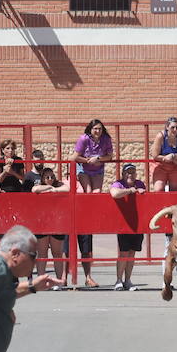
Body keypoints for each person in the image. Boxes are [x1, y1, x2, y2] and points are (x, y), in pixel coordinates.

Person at [72, 119, 113, 287]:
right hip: (84, 168)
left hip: (98, 169)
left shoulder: (106, 140)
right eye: (95, 129)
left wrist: (99, 159)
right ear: (90, 129)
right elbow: (74, 157)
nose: (97, 131)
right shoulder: (84, 139)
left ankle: (94, 217)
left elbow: (110, 156)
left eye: (100, 129)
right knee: (88, 192)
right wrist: (87, 159)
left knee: (96, 194)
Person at [109, 163, 146, 290]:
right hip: (123, 223)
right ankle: (118, 280)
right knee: (123, 253)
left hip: (137, 223)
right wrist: (130, 191)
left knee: (132, 253)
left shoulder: (140, 183)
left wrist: (142, 192)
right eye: (128, 172)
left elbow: (145, 196)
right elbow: (114, 193)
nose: (131, 174)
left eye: (133, 172)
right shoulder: (118, 184)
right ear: (123, 174)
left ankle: (128, 280)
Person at [31, 166, 69, 287]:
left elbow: (67, 188)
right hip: (42, 223)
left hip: (57, 223)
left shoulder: (58, 185)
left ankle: (58, 281)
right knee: (42, 253)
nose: (50, 179)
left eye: (52, 177)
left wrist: (54, 190)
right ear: (42, 178)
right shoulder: (40, 186)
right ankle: (41, 281)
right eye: (47, 177)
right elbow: (34, 189)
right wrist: (48, 187)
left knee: (57, 253)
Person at [151, 116, 177, 191]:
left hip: (175, 166)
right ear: (167, 127)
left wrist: (173, 156)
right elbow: (155, 155)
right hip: (161, 166)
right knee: (158, 190)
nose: (175, 130)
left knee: (174, 191)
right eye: (172, 127)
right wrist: (166, 158)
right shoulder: (160, 136)